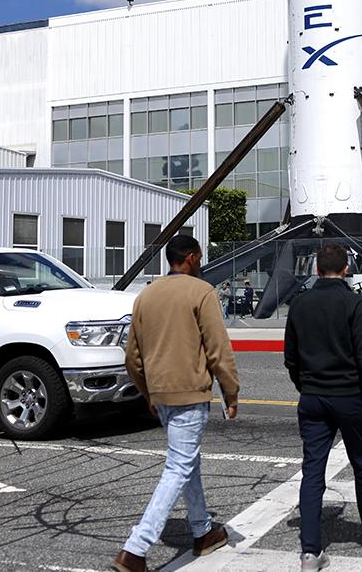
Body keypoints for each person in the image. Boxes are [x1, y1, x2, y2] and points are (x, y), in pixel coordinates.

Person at [113, 235, 240, 572]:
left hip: (162, 394)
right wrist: (231, 392)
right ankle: (135, 549)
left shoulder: (145, 295)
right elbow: (217, 348)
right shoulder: (202, 292)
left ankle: (202, 533)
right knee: (179, 467)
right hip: (190, 392)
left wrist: (149, 392)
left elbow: (132, 357)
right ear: (192, 257)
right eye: (199, 257)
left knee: (187, 462)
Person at [284, 243, 362, 571]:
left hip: (313, 397)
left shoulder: (300, 304)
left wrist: (304, 386)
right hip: (349, 397)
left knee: (313, 470)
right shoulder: (354, 304)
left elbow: (290, 356)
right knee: (361, 462)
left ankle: (310, 551)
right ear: (346, 269)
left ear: (316, 269)